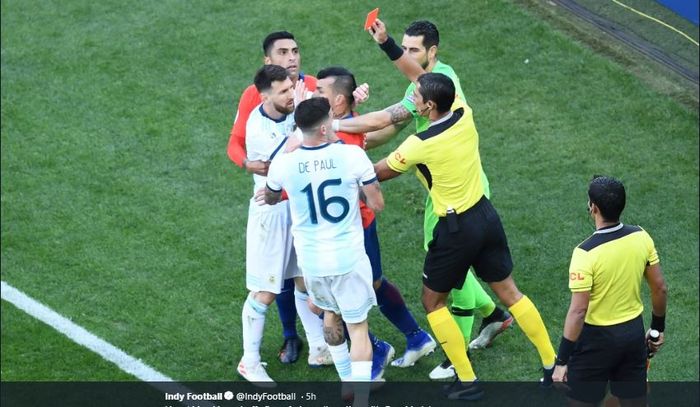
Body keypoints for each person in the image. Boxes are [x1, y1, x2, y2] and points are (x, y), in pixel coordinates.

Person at [340, 72, 556, 400]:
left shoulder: (418, 145)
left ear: (429, 106)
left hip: (455, 231)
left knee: (432, 301)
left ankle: (466, 380)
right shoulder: (464, 114)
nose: (410, 96)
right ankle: (552, 365)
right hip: (486, 216)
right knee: (511, 292)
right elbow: (423, 78)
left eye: (415, 95)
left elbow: (375, 173)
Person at [341, 19, 513, 380]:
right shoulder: (424, 89)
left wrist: (334, 129)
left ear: (432, 53)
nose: (406, 55)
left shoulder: (440, 83)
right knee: (454, 266)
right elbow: (392, 127)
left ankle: (457, 354)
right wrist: (358, 142)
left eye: (413, 50)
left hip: (459, 198)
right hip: (447, 193)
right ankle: (495, 316)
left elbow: (387, 118)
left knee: (452, 272)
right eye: (403, 47)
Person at [315, 66, 437, 376]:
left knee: (333, 301)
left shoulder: (336, 135)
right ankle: (415, 337)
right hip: (353, 226)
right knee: (374, 284)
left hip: (347, 229)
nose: (314, 95)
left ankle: (372, 354)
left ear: (338, 101)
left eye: (320, 92)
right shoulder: (345, 128)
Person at [264, 97, 384, 406]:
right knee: (357, 328)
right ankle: (359, 400)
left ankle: (346, 382)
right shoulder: (352, 156)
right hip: (347, 256)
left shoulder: (284, 162)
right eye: (331, 119)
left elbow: (272, 196)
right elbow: (377, 204)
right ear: (322, 127)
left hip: (312, 262)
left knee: (330, 313)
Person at [237, 65, 331, 385]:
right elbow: (280, 162)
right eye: (283, 92)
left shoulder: (293, 109)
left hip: (297, 209)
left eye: (292, 88)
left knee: (304, 279)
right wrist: (301, 118)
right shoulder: (257, 127)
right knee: (265, 290)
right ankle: (249, 362)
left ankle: (319, 347)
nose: (291, 95)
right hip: (271, 213)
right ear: (264, 96)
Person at [228, 31, 316, 364]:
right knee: (271, 283)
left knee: (302, 278)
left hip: (300, 202)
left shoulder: (307, 89)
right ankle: (283, 342)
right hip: (273, 201)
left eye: (295, 50)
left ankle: (320, 345)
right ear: (269, 61)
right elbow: (238, 144)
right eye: (282, 53)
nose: (291, 58)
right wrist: (246, 162)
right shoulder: (256, 101)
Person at [552, 176, 668, 407]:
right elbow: (660, 287)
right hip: (633, 335)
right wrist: (657, 329)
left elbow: (578, 311)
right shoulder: (641, 237)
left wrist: (562, 360)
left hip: (596, 342)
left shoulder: (585, 253)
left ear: (593, 207)